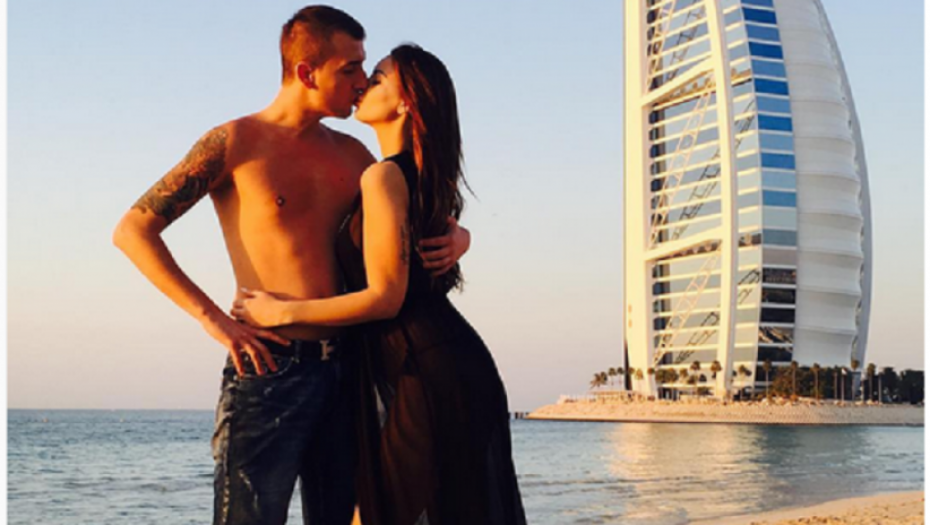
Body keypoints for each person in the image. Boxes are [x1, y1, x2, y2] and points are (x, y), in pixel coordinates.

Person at [112, 7, 470, 525]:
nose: (361, 82)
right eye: (349, 69)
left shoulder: (356, 158)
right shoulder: (233, 143)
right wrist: (215, 320)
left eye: (365, 68)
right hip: (268, 370)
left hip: (350, 371)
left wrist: (460, 236)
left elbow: (413, 218)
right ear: (307, 72)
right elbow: (133, 231)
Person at [232, 44, 527, 525]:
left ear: (406, 102)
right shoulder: (419, 175)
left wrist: (281, 311)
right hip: (438, 364)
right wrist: (464, 238)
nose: (363, 84)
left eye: (379, 79)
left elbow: (386, 297)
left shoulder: (384, 176)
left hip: (425, 369)